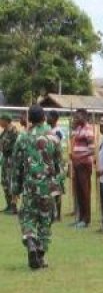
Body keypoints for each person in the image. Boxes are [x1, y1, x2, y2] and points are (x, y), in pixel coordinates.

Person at [11, 105, 62, 269]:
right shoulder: (53, 138)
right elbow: (60, 165)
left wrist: (15, 190)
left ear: (29, 119)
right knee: (45, 220)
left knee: (28, 217)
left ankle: (31, 242)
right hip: (47, 187)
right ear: (44, 118)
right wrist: (58, 187)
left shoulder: (22, 138)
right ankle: (40, 253)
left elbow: (16, 166)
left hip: (29, 187)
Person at [69, 108, 94, 228]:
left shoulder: (88, 130)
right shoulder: (78, 129)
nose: (76, 119)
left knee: (85, 192)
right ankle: (80, 217)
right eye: (75, 117)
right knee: (78, 192)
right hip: (77, 164)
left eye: (78, 117)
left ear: (84, 117)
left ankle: (86, 219)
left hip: (84, 164)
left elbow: (92, 150)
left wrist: (79, 157)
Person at [46, 111, 66, 221]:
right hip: (50, 163)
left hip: (56, 164)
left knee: (57, 189)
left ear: (54, 118)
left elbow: (57, 147)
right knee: (51, 189)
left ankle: (58, 215)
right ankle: (52, 213)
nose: (46, 118)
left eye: (48, 116)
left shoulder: (57, 132)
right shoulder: (49, 131)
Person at [0, 113, 19, 214]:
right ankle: (8, 205)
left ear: (6, 120)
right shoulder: (4, 132)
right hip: (5, 160)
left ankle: (13, 206)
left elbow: (12, 147)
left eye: (1, 120)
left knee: (12, 183)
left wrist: (3, 147)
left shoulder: (13, 131)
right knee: (5, 182)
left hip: (12, 161)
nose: (0, 122)